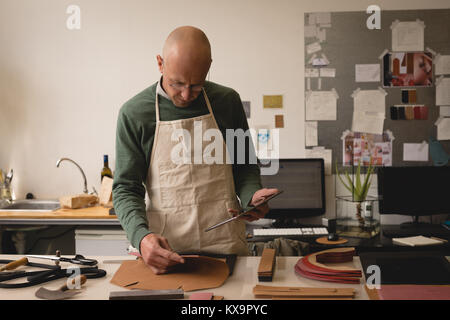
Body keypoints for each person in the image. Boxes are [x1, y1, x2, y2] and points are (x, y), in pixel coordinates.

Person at [113, 26, 278, 275]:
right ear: (160, 63)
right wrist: (141, 237)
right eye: (177, 83)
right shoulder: (134, 114)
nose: (186, 94)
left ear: (209, 65)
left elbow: (244, 167)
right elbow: (126, 188)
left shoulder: (227, 102)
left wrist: (251, 198)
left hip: (226, 248)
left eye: (197, 85)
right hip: (165, 253)